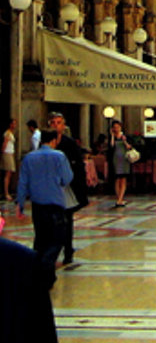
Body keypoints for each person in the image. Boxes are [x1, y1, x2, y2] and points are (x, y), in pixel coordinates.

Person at [16, 130, 74, 288]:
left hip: (37, 205)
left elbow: (22, 182)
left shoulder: (29, 157)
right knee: (57, 239)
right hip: (55, 204)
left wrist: (19, 204)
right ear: (54, 141)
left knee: (41, 239)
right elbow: (67, 178)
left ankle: (45, 277)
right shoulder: (59, 156)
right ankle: (45, 265)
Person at [49, 112, 88, 265]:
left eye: (59, 122)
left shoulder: (70, 143)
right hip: (49, 188)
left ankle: (68, 250)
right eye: (53, 122)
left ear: (63, 125)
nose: (56, 125)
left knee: (67, 220)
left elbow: (78, 165)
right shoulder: (43, 142)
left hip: (66, 188)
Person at [107, 120, 133, 207]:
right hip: (115, 160)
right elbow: (111, 146)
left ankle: (121, 198)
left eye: (117, 127)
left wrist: (125, 141)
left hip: (124, 159)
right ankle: (118, 198)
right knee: (117, 179)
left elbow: (129, 147)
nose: (116, 129)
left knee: (123, 179)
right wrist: (112, 136)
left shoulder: (125, 137)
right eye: (114, 127)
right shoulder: (112, 137)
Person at [1, 118, 17, 201]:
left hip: (10, 153)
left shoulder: (11, 133)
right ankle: (6, 193)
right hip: (7, 153)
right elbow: (4, 144)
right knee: (7, 174)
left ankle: (7, 192)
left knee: (9, 174)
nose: (15, 125)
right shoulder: (7, 133)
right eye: (13, 123)